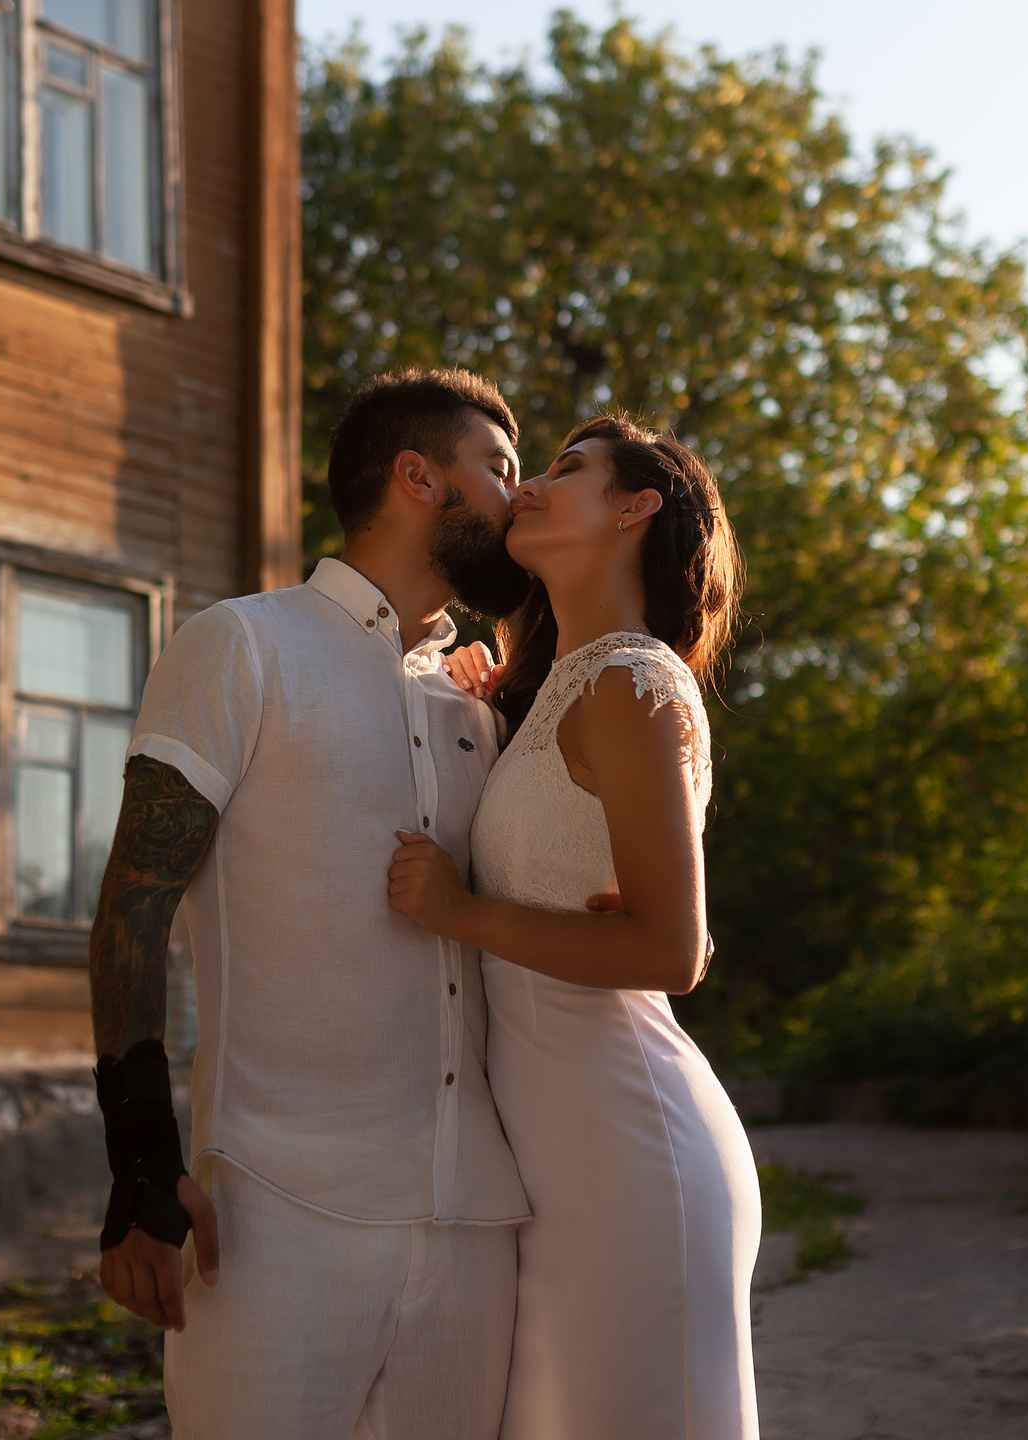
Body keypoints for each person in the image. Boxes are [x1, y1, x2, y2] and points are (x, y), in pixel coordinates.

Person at [85, 369, 546, 1440]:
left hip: (473, 1219)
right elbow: (131, 908)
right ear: (416, 477)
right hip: (273, 1216)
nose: (518, 501)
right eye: (502, 470)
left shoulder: (473, 704)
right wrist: (140, 1162)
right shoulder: (241, 644)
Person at [387, 413, 761, 1440]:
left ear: (637, 505)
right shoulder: (558, 685)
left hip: (627, 1146)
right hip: (555, 1163)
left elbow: (670, 952)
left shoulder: (635, 682)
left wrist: (460, 911)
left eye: (568, 468)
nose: (533, 487)